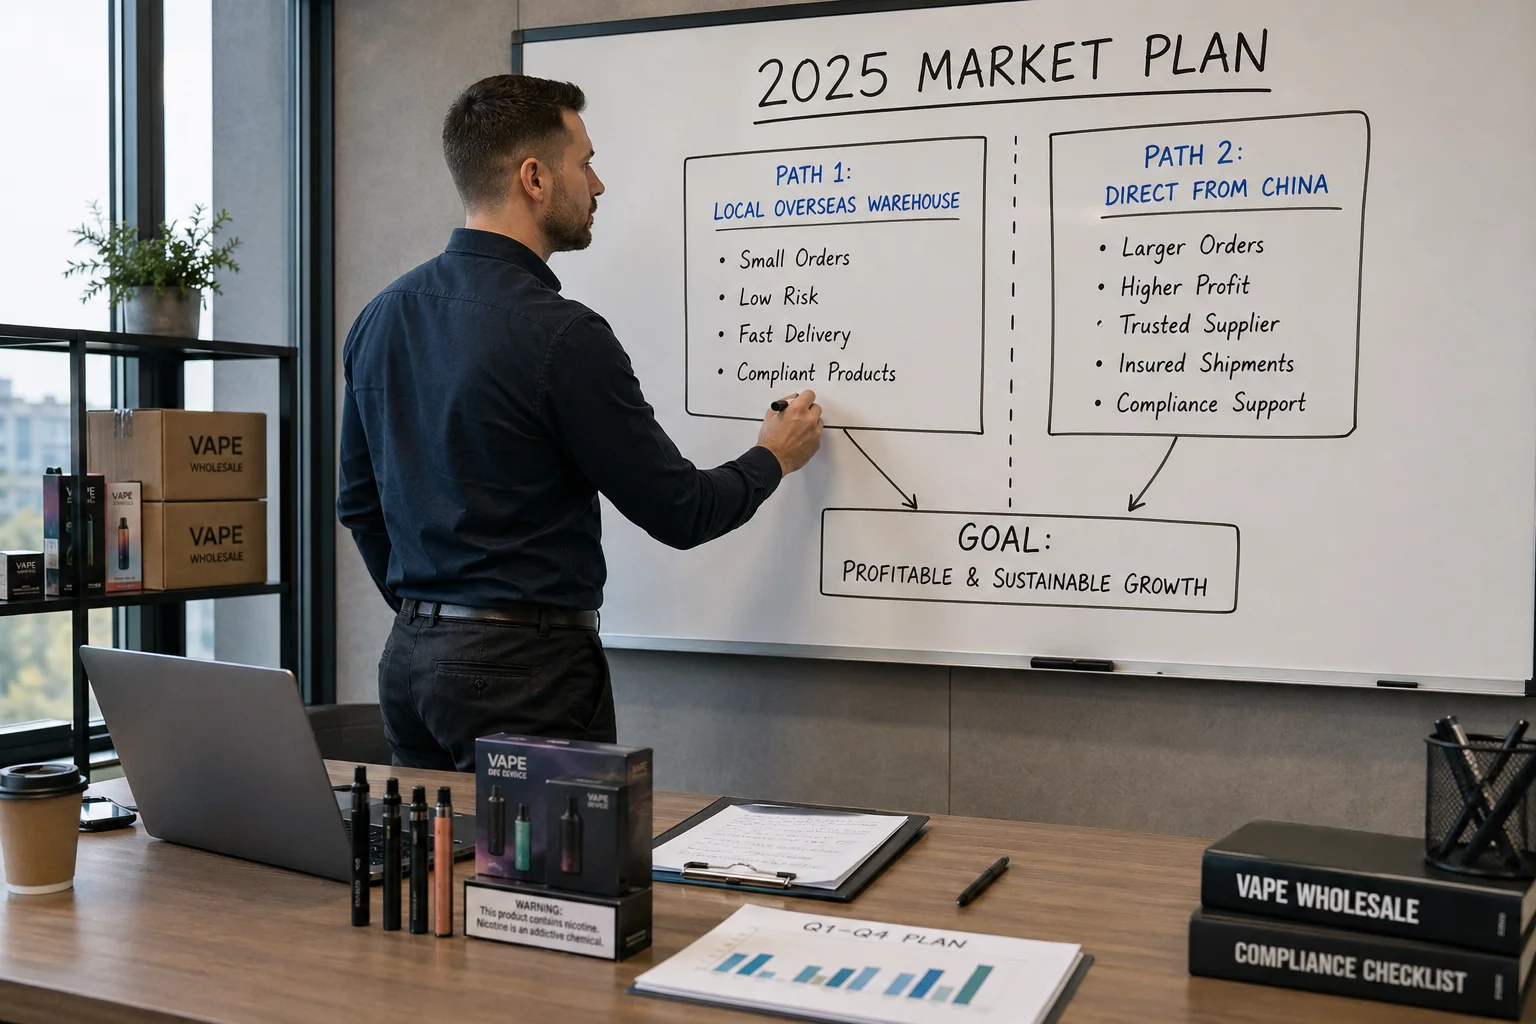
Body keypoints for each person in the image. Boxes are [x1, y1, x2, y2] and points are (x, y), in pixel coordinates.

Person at [336, 74, 823, 771]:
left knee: (437, 876)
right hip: (527, 677)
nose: (597, 185)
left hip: (411, 666)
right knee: (551, 881)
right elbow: (679, 512)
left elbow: (359, 505)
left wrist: (437, 620)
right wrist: (773, 457)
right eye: (584, 162)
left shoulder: (380, 316)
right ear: (534, 178)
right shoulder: (561, 336)